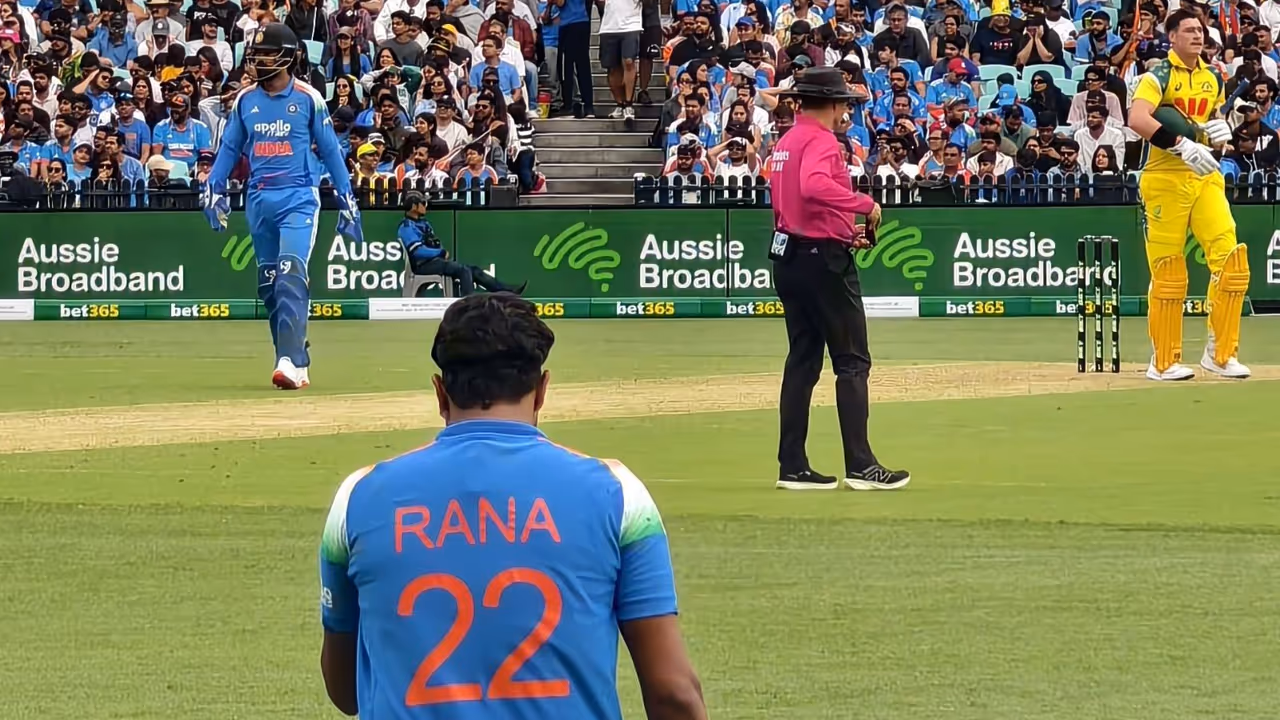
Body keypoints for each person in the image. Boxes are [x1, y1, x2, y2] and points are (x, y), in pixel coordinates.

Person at [317, 292, 707, 720]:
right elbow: (672, 693)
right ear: (542, 391)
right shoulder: (617, 492)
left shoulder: (358, 496)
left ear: (440, 393)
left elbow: (345, 690)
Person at [766, 67, 910, 492]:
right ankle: (861, 465)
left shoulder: (786, 141)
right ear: (832, 103)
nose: (847, 108)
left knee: (803, 360)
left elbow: (793, 200)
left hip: (788, 255)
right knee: (851, 361)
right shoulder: (822, 140)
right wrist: (864, 205)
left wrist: (845, 233)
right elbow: (813, 187)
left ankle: (792, 465)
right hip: (823, 260)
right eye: (844, 101)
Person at [201, 23, 363, 390]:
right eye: (256, 54)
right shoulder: (245, 100)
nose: (259, 61)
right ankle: (294, 357)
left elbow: (331, 150)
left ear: (289, 57)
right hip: (259, 199)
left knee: (291, 275)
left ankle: (287, 361)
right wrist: (214, 188)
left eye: (267, 54)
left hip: (298, 197)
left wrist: (347, 198)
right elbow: (230, 147)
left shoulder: (308, 97)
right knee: (270, 287)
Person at [1128, 9, 1251, 381]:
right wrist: (1179, 144)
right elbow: (1138, 119)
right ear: (1172, 36)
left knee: (1232, 262)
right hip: (1164, 178)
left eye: (1201, 30)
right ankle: (1163, 361)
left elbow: (1210, 122)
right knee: (1168, 271)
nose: (1199, 35)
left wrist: (1221, 130)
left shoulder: (1213, 77)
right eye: (1190, 30)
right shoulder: (1157, 76)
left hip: (1204, 175)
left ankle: (1221, 354)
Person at [397, 191, 526, 296]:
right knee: (463, 270)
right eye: (423, 203)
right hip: (422, 266)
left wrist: (439, 253)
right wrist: (440, 252)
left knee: (473, 270)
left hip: (435, 262)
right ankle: (468, 304)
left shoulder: (423, 223)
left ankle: (506, 292)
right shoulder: (407, 227)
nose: (425, 206)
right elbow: (418, 252)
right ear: (414, 206)